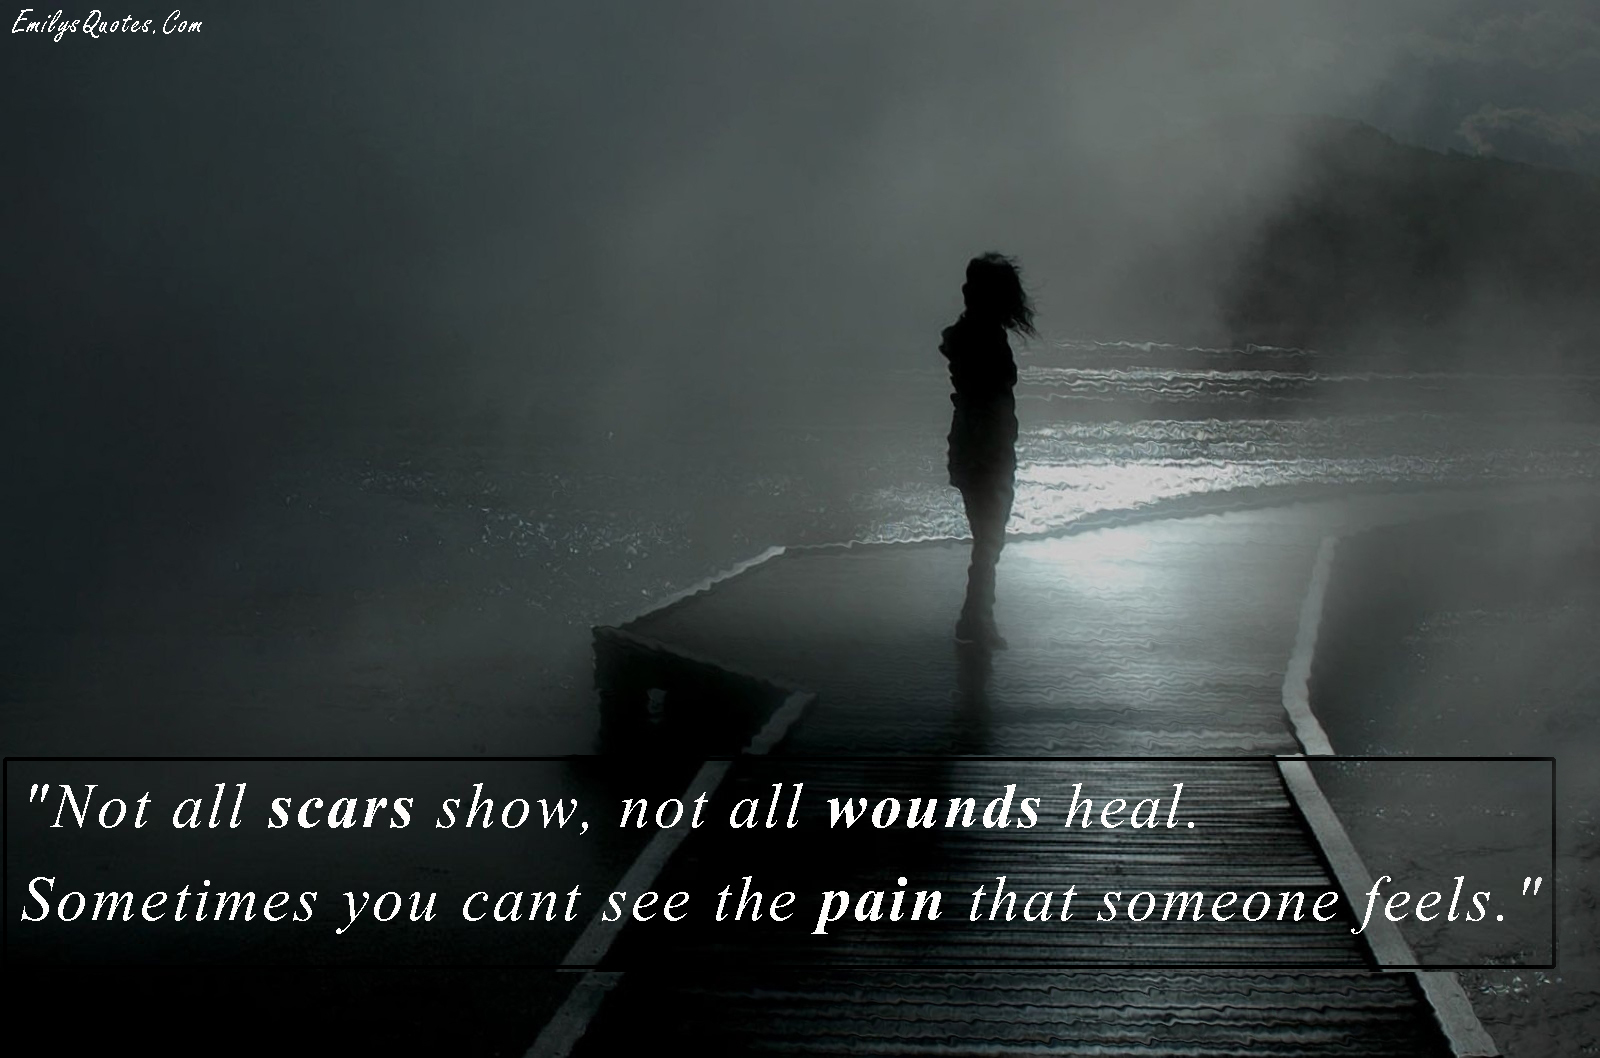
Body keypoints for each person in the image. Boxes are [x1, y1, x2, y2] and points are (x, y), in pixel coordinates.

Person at [940, 252, 1036, 648]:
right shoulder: (985, 338)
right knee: (990, 537)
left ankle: (976, 617)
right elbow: (988, 398)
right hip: (985, 448)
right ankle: (975, 619)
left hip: (972, 444)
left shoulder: (970, 335)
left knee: (988, 537)